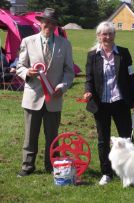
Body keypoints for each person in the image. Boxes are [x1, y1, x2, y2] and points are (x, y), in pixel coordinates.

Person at [16, 8, 75, 177]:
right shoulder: (27, 41)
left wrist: (62, 86)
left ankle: (52, 165)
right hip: (32, 97)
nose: (48, 25)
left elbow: (69, 71)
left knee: (52, 137)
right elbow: (19, 66)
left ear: (56, 25)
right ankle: (27, 166)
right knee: (30, 136)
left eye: (52, 22)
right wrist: (27, 72)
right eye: (45, 22)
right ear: (40, 23)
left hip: (54, 98)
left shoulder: (65, 44)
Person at [83, 21, 134, 185]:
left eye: (110, 33)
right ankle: (106, 173)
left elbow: (131, 77)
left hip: (121, 102)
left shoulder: (123, 53)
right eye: (104, 34)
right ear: (99, 36)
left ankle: (131, 173)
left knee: (127, 139)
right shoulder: (92, 55)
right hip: (100, 105)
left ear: (114, 35)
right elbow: (89, 79)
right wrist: (87, 91)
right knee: (103, 139)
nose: (107, 37)